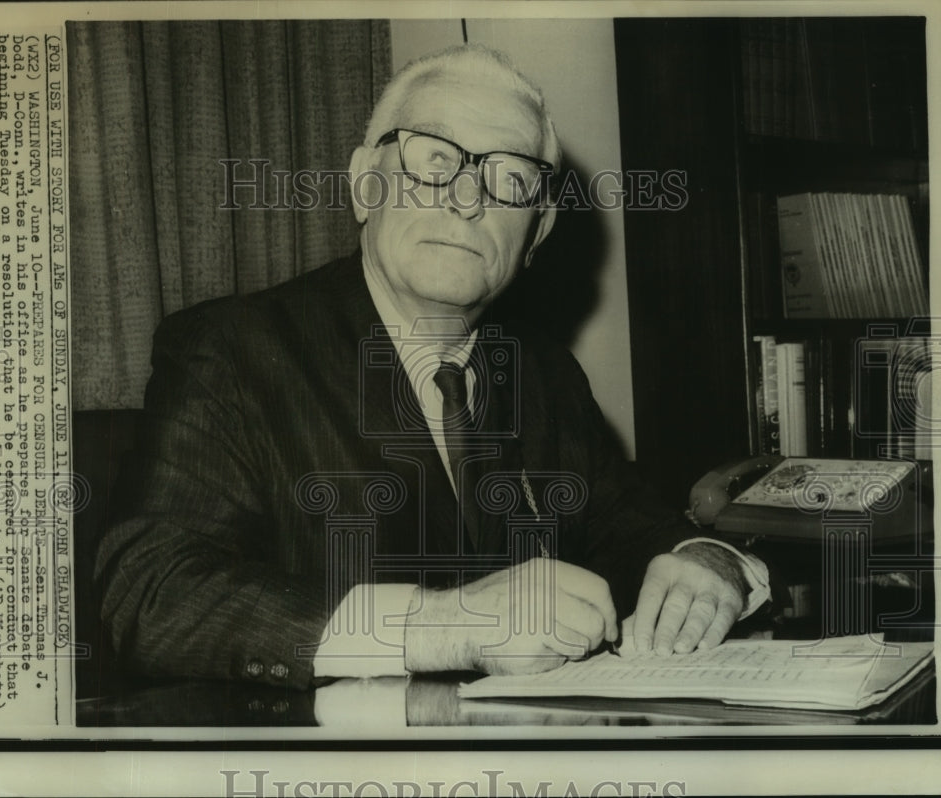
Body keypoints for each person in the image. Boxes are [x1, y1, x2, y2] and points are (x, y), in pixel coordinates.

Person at [96, 44, 770, 691]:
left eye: (510, 180)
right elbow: (150, 594)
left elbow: (642, 530)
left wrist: (706, 562)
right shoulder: (234, 350)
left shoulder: (543, 376)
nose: (466, 199)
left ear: (536, 233)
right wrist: (444, 625)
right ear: (365, 185)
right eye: (433, 159)